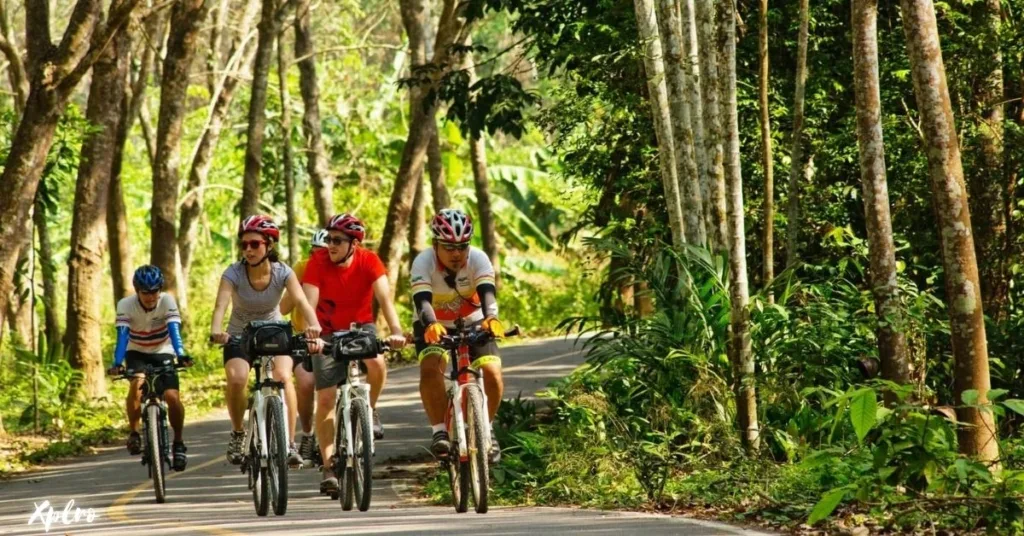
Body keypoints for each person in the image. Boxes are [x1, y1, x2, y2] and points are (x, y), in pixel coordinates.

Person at [300, 213, 407, 493]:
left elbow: (385, 299)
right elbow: (308, 302)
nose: (330, 245)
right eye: (328, 239)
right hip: (325, 332)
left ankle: (369, 410)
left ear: (354, 244)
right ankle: (328, 466)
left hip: (361, 327)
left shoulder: (369, 260)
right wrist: (312, 331)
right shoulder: (318, 262)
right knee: (325, 398)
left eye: (337, 240)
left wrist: (396, 330)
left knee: (377, 362)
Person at [210, 215, 323, 466]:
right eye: (244, 245)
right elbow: (221, 306)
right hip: (240, 334)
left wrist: (314, 325)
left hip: (274, 332)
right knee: (237, 378)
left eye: (255, 244)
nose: (248, 250)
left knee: (283, 377)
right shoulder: (233, 273)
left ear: (269, 245)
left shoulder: (283, 272)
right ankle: (238, 433)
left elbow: (302, 302)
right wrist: (217, 330)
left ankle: (290, 443)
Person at [410, 208, 506, 464]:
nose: (456, 253)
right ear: (435, 245)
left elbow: (487, 292)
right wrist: (430, 323)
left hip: (474, 321)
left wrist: (491, 318)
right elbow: (422, 300)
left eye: (462, 246)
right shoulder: (423, 261)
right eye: (449, 247)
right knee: (431, 368)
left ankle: (487, 428)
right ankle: (440, 430)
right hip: (433, 323)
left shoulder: (478, 258)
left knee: (493, 372)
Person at [107, 265, 193, 471]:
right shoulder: (125, 305)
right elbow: (123, 337)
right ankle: (135, 433)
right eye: (145, 292)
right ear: (137, 291)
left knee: (172, 397)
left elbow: (174, 331)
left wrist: (181, 355)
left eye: (154, 291)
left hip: (163, 349)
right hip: (135, 351)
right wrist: (118, 363)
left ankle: (178, 442)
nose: (150, 296)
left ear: (160, 289)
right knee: (137, 383)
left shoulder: (167, 301)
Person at [280, 228, 328, 465]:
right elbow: (283, 308)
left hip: (331, 334)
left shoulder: (339, 270)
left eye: (325, 253)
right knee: (306, 383)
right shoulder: (300, 267)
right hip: (302, 335)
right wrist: (297, 285)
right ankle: (308, 434)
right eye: (316, 253)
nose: (320, 258)